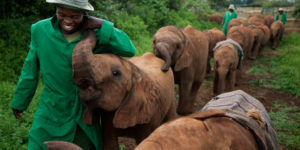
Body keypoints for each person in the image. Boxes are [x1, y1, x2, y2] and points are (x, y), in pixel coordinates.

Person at [10, 0, 136, 149]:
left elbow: (129, 49)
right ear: (56, 10)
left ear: (85, 14)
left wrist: (102, 24)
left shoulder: (94, 34)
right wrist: (20, 102)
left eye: (75, 16)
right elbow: (30, 71)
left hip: (83, 113)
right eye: (62, 14)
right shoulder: (40, 30)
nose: (68, 21)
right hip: (50, 109)